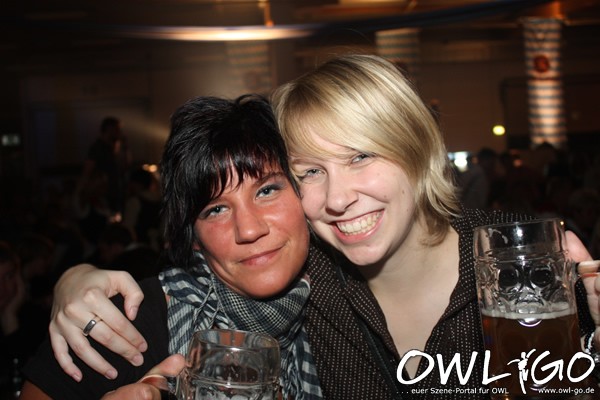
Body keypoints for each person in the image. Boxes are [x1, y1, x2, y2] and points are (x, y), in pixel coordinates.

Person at [45, 55, 600, 399]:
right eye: (310, 171)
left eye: (361, 156)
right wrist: (76, 280)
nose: (337, 198)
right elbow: (200, 281)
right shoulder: (303, 283)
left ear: (416, 151)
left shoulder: (529, 264)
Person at [19, 94, 323, 400]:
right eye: (216, 209)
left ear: (304, 193)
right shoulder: (127, 323)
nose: (249, 229)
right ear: (194, 239)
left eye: (267, 190)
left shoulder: (339, 306)